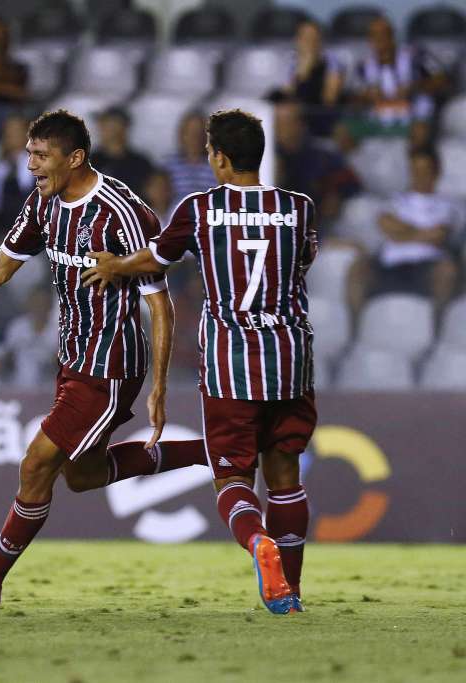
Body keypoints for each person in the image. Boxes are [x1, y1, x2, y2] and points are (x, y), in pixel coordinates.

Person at [0, 110, 207, 611]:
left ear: (74, 158)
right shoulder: (44, 204)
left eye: (40, 155)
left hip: (110, 364)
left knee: (36, 465)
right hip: (72, 359)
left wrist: (158, 385)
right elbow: (2, 266)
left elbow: (159, 303)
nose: (30, 165)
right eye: (28, 154)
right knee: (83, 475)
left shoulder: (125, 214)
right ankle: (220, 449)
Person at [82, 109, 318, 615]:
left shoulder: (200, 208)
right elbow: (302, 261)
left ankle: (258, 544)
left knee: (233, 479)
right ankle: (290, 595)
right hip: (290, 358)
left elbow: (155, 259)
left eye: (211, 152)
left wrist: (116, 265)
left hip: (232, 363)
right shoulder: (299, 208)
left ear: (222, 158)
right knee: (285, 476)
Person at [371, 146, 460, 309]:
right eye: (415, 170)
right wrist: (423, 232)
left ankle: (438, 328)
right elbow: (385, 224)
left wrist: (401, 233)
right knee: (357, 269)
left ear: (436, 172)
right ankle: (353, 332)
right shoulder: (395, 200)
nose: (420, 175)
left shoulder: (447, 204)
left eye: (425, 170)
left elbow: (438, 235)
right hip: (390, 263)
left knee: (447, 271)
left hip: (427, 266)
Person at [344, 16, 448, 142]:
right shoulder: (362, 66)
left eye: (385, 35)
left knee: (421, 130)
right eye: (375, 36)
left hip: (414, 119)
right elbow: (351, 98)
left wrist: (414, 87)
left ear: (393, 37)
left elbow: (442, 79)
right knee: (343, 132)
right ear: (369, 40)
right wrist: (367, 96)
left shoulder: (416, 56)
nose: (380, 40)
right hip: (376, 122)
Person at [274, 99, 360, 223]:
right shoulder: (264, 155)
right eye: (278, 122)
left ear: (301, 124)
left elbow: (350, 182)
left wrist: (338, 195)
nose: (281, 128)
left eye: (288, 122)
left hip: (319, 223)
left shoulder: (321, 152)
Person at [267, 20, 343, 137]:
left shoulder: (331, 62)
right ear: (297, 40)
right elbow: (285, 94)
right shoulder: (290, 62)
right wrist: (302, 71)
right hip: (292, 118)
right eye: (305, 38)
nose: (310, 43)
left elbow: (329, 100)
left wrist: (307, 72)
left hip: (319, 119)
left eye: (314, 39)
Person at [0, 113, 33, 237]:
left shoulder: (40, 166)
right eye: (8, 131)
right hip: (4, 233)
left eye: (16, 130)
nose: (11, 135)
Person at [90, 107, 153, 196]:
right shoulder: (91, 160)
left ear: (120, 129)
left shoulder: (140, 163)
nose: (100, 129)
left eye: (106, 124)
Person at [163, 110, 217, 207]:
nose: (195, 138)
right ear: (182, 135)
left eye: (199, 133)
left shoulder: (218, 165)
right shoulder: (168, 165)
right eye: (190, 132)